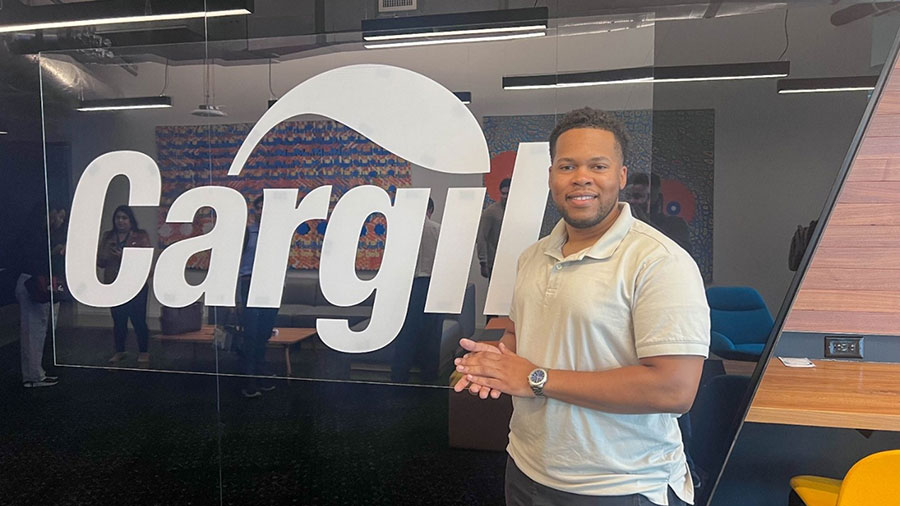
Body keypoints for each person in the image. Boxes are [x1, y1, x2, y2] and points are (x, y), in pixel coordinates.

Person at [454, 108, 710, 506]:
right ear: (552, 175)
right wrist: (495, 364)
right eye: (567, 165)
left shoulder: (659, 261)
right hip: (526, 467)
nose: (581, 177)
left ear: (621, 176)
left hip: (619, 486)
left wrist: (535, 378)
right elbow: (522, 335)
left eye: (598, 165)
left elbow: (673, 389)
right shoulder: (533, 257)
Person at [15, 203, 67, 388]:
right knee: (34, 331)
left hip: (36, 283)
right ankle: (33, 376)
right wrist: (54, 252)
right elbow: (35, 259)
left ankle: (36, 373)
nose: (59, 221)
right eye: (57, 216)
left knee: (38, 330)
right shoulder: (35, 235)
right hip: (33, 283)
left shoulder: (41, 234)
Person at [391, 197, 441, 383]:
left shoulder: (402, 230)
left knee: (406, 331)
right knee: (431, 333)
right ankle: (429, 377)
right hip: (430, 284)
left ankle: (399, 376)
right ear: (430, 210)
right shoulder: (437, 229)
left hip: (408, 285)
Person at [98, 205, 152, 364]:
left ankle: (144, 351)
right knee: (118, 320)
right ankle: (119, 350)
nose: (120, 221)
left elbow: (144, 263)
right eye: (117, 218)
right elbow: (100, 262)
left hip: (136, 285)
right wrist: (108, 253)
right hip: (114, 284)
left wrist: (124, 257)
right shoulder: (108, 236)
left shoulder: (141, 236)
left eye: (124, 218)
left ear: (130, 220)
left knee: (138, 320)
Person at [239, 195, 279, 398]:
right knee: (251, 335)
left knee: (264, 334)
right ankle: (249, 382)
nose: (263, 211)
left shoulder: (276, 233)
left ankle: (261, 377)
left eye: (266, 207)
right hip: (249, 283)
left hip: (270, 285)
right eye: (260, 207)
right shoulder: (247, 232)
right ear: (255, 211)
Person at [624, 173, 693, 255]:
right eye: (628, 196)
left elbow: (682, 254)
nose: (631, 201)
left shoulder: (675, 224)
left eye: (638, 197)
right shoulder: (621, 225)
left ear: (655, 199)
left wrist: (644, 221)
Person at [476, 177, 510, 279]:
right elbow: (481, 237)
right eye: (503, 193)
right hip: (495, 262)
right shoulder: (491, 212)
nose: (505, 196)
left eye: (508, 193)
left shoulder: (518, 211)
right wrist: (483, 262)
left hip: (513, 260)